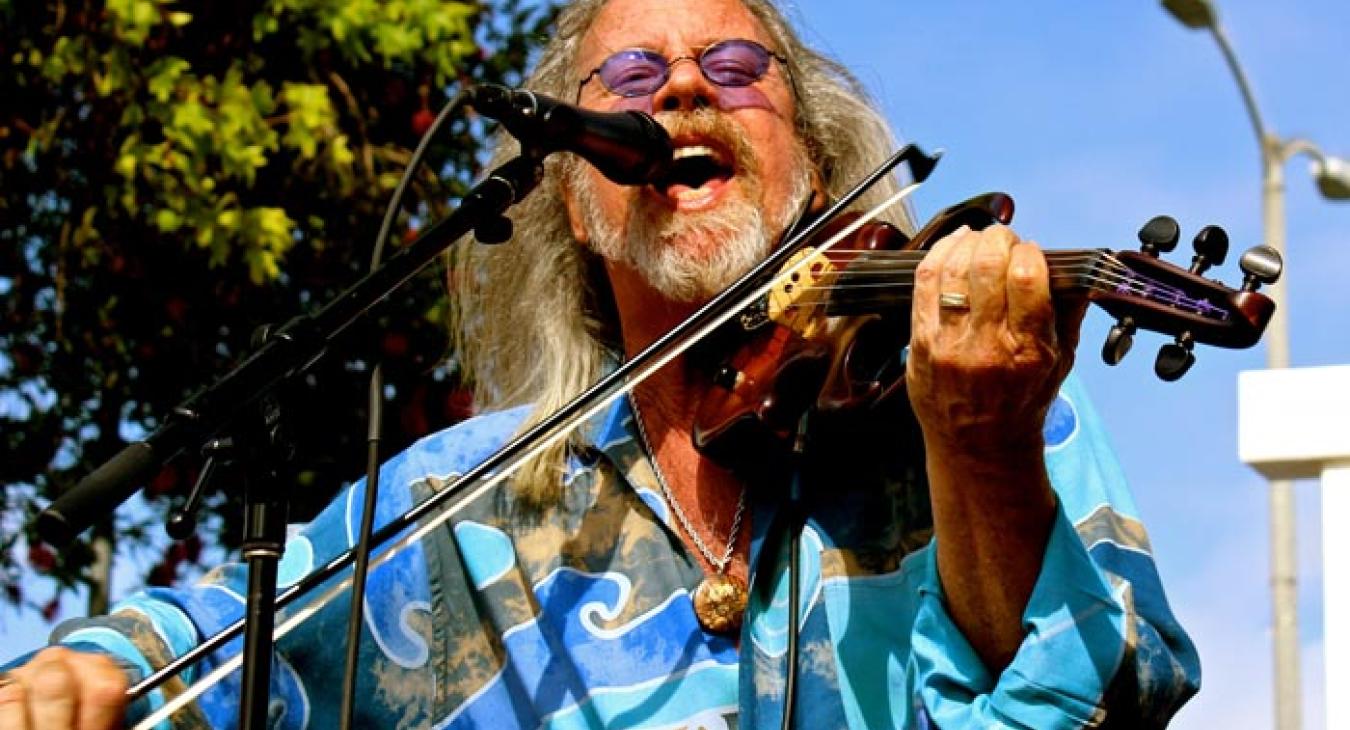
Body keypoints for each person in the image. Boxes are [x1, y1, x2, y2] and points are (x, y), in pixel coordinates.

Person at [0, 0, 1201, 727]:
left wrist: (981, 450)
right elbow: (202, 647)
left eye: (735, 69)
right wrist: (76, 674)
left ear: (816, 170)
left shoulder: (962, 383)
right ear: (576, 196)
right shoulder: (454, 512)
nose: (683, 85)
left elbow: (1109, 698)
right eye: (631, 77)